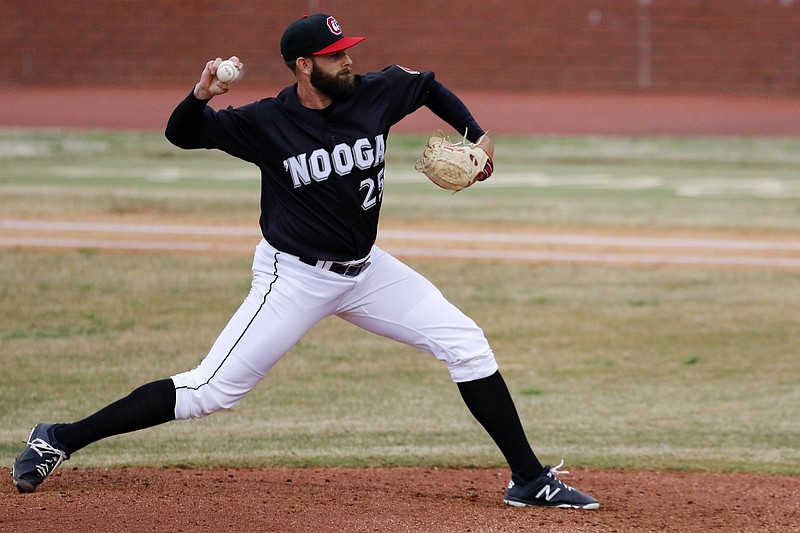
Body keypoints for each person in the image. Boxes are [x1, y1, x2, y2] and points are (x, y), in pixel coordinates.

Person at [12, 13, 599, 510]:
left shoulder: (375, 91)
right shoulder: (267, 122)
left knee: (467, 343)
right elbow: (182, 135)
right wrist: (200, 97)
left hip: (366, 270)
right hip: (291, 278)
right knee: (208, 391)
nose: (348, 63)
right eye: (334, 56)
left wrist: (479, 136)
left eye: (347, 53)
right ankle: (58, 438)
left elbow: (427, 86)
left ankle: (528, 479)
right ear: (303, 65)